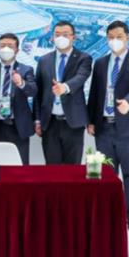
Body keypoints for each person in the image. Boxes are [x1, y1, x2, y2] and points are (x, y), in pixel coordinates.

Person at [87, 20, 129, 232]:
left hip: (127, 128)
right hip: (103, 128)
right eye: (111, 37)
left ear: (127, 38)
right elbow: (94, 93)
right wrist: (91, 120)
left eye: (119, 37)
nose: (115, 41)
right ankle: (107, 214)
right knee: (104, 175)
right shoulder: (100, 63)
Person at [34, 21, 92, 164]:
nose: (61, 38)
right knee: (52, 169)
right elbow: (38, 93)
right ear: (52, 37)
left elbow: (81, 76)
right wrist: (37, 120)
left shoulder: (83, 58)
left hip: (73, 122)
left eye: (65, 34)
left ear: (73, 37)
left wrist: (65, 87)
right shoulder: (44, 60)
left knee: (72, 169)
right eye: (57, 34)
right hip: (50, 122)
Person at [0, 33, 37, 165]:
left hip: (18, 125)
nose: (6, 49)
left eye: (10, 46)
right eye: (3, 46)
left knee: (20, 165)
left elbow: (33, 91)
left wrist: (21, 83)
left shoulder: (26, 70)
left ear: (17, 50)